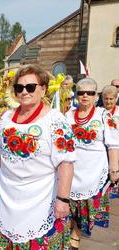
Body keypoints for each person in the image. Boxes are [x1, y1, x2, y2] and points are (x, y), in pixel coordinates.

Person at [0, 64, 75, 249]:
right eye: (19, 88)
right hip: (9, 193)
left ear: (43, 89)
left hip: (41, 195)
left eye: (30, 87)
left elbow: (66, 161)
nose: (24, 92)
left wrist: (63, 199)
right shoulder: (5, 118)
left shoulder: (55, 120)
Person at [65, 78, 119, 249]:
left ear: (97, 96)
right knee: (70, 201)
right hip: (72, 166)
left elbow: (113, 144)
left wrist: (114, 169)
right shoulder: (67, 115)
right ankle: (71, 228)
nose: (85, 95)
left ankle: (76, 234)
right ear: (77, 95)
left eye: (90, 92)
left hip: (94, 169)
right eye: (81, 92)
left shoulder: (104, 115)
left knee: (85, 204)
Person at [102, 85, 119, 199]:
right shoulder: (100, 113)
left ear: (116, 98)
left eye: (111, 99)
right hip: (105, 149)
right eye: (106, 99)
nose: (108, 101)